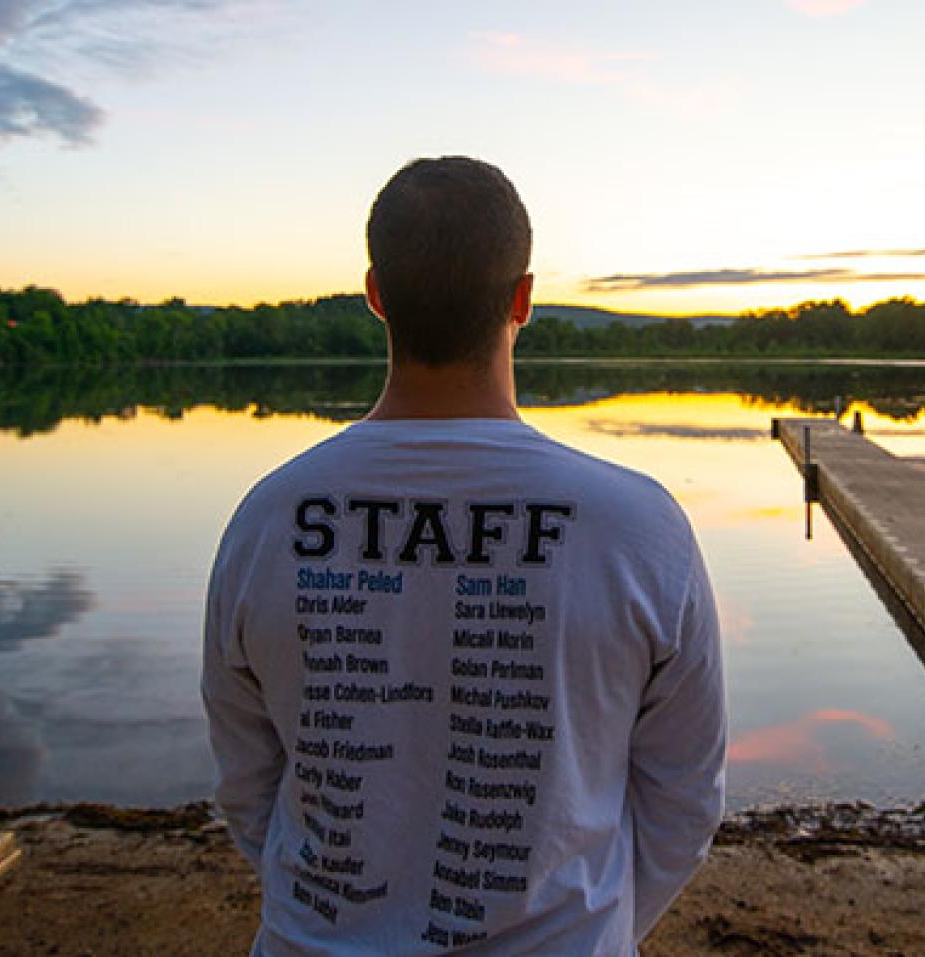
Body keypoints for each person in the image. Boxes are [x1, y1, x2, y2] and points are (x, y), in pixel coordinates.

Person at [202, 156, 725, 956]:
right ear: (523, 299)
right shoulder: (640, 528)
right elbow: (684, 801)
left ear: (376, 294)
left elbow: (248, 788)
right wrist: (596, 931)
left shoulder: (265, 520)